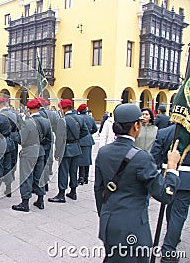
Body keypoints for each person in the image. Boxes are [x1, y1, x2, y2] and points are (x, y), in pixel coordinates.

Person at [94, 103, 181, 262]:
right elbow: (165, 194)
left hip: (109, 221)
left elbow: (99, 190)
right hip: (132, 227)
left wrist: (106, 214)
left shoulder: (103, 152)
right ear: (135, 126)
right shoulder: (142, 157)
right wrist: (172, 168)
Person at [150, 124, 190, 262]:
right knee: (179, 214)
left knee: (170, 207)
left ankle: (173, 234)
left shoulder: (164, 132)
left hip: (167, 176)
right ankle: (169, 250)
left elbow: (154, 157)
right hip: (186, 180)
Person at [12, 98, 51, 212]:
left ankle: (25, 203)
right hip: (40, 150)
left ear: (29, 109)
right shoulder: (46, 121)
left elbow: (21, 139)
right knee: (39, 176)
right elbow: (49, 139)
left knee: (26, 177)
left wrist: (14, 135)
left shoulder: (27, 122)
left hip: (29, 152)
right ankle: (40, 200)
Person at [48, 99, 85, 203]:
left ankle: (61, 194)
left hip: (66, 148)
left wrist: (57, 153)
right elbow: (85, 132)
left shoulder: (62, 120)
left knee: (63, 171)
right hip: (76, 148)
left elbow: (59, 138)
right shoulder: (80, 118)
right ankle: (73, 191)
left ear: (64, 109)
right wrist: (76, 139)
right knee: (73, 171)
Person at [76, 104, 97, 185]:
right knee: (87, 159)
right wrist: (89, 133)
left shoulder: (78, 118)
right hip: (88, 140)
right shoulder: (91, 118)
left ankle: (81, 177)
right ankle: (86, 178)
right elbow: (95, 129)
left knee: (80, 159)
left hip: (80, 140)